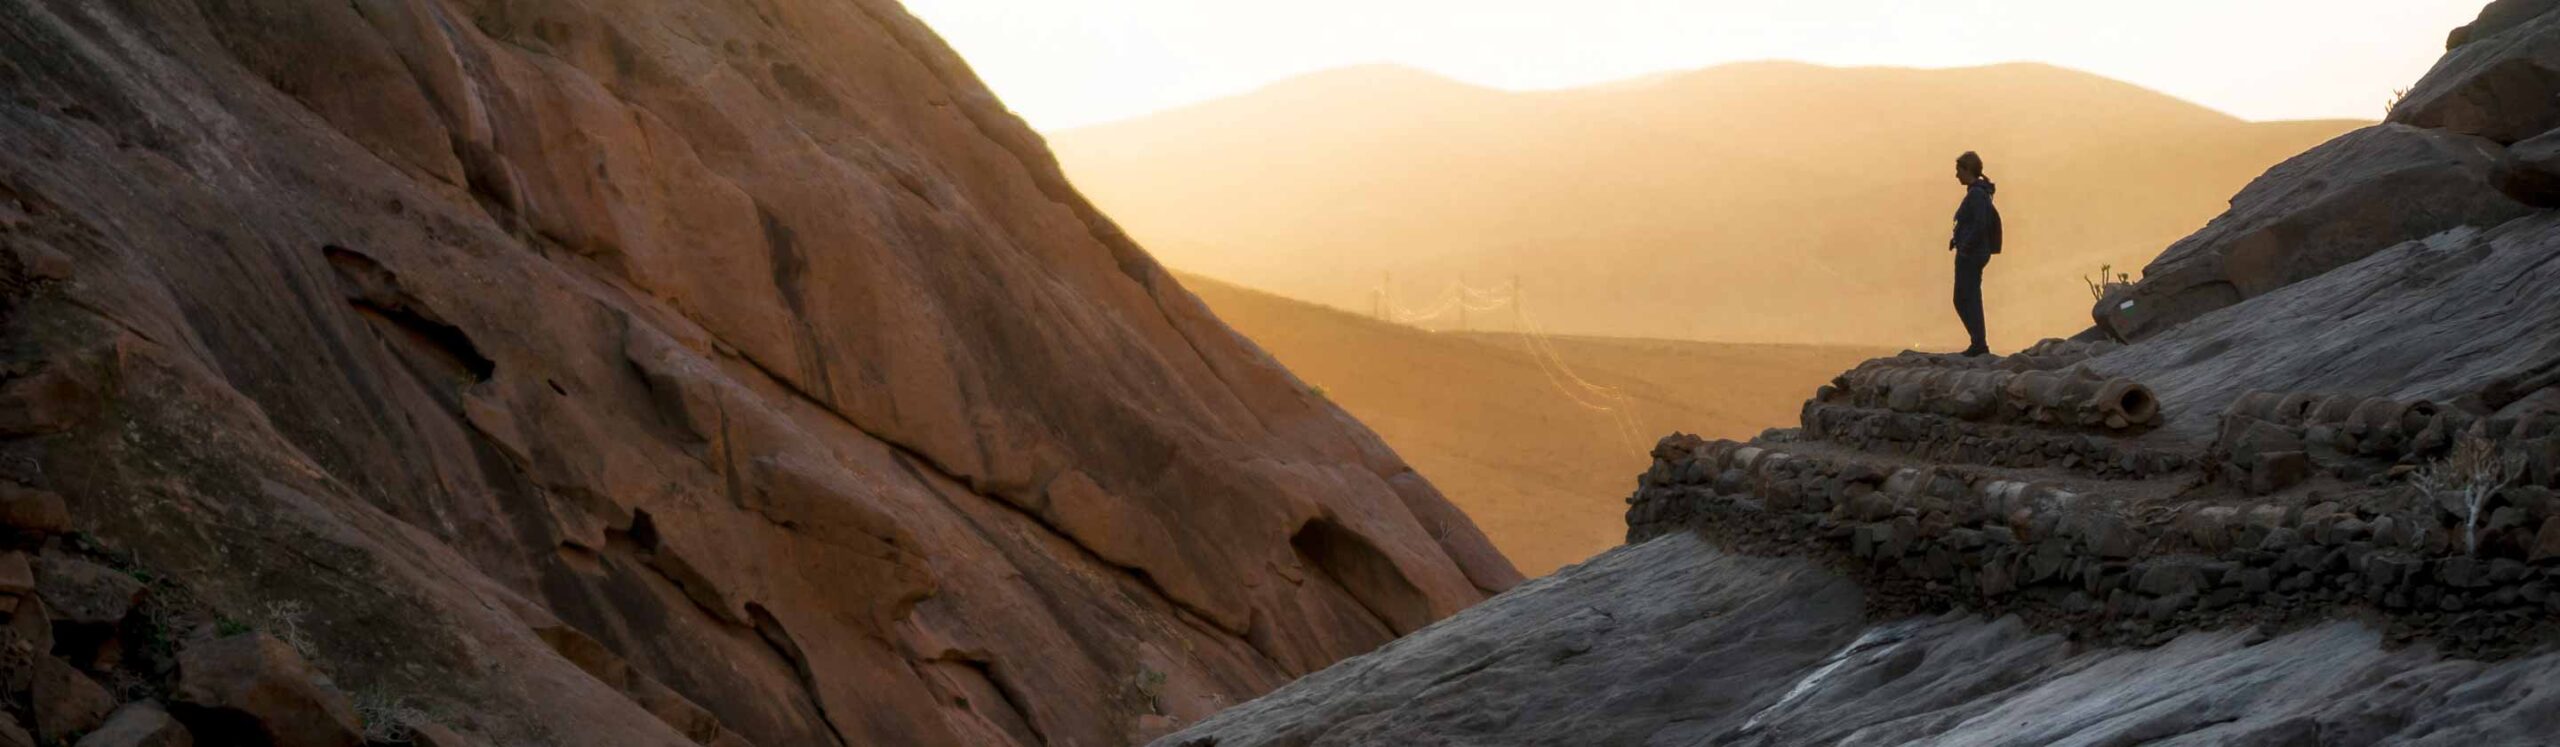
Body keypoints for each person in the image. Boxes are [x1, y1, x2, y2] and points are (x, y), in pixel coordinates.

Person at [1949, 151, 2001, 357]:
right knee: (1966, 297)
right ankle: (1978, 342)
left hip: (1972, 254)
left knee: (1965, 298)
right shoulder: (1977, 193)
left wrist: (1966, 246)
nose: (1956, 175)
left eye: (1958, 171)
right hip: (1973, 251)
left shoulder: (1977, 195)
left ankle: (1979, 344)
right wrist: (1957, 239)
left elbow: (1980, 224)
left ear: (1967, 170)